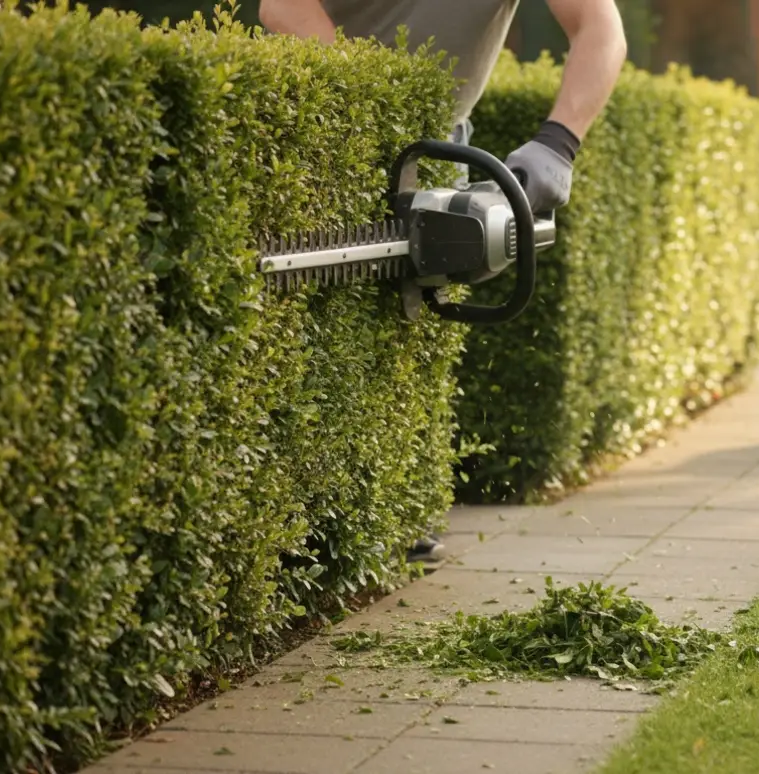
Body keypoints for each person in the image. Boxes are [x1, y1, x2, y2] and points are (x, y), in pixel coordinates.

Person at [257, 0, 627, 565]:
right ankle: (286, 533)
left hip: (435, 139)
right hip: (319, 118)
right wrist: (374, 102)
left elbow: (601, 27)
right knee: (306, 329)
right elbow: (283, 7)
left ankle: (393, 512)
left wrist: (558, 144)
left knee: (411, 324)